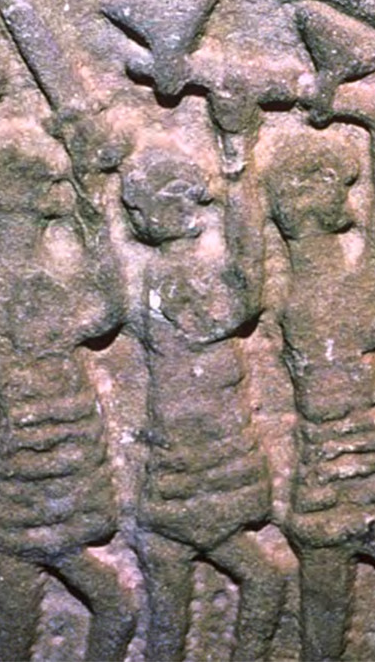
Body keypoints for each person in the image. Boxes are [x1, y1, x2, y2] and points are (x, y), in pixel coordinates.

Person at [0, 130, 136, 662]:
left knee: (18, 630)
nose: (60, 190)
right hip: (40, 480)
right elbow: (104, 311)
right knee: (112, 608)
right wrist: (96, 214)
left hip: (36, 478)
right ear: (23, 195)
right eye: (51, 182)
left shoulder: (11, 270)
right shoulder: (21, 275)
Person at [121, 148, 285, 661]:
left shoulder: (169, 275)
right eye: (179, 198)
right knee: (262, 581)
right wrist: (238, 174)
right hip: (196, 469)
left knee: (173, 613)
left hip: (193, 464)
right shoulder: (174, 278)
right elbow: (245, 293)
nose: (196, 206)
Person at [260, 124, 375, 661]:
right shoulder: (331, 296)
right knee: (322, 635)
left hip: (330, 484)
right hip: (340, 481)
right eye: (337, 183)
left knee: (322, 634)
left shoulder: (320, 293)